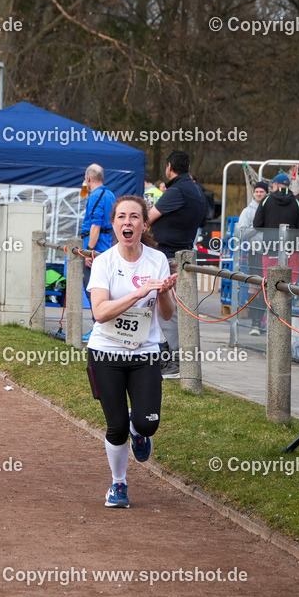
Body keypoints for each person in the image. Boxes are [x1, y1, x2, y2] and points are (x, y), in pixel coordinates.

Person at [86, 195, 177, 508]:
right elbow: (99, 312)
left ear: (143, 224)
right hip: (106, 354)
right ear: (113, 224)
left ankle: (140, 429)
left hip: (145, 353)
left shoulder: (157, 260)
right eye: (122, 217)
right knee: (116, 427)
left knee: (148, 422)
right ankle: (119, 484)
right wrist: (140, 292)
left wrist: (163, 292)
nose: (128, 222)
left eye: (134, 217)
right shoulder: (104, 262)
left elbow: (166, 314)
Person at [147, 150, 207, 378]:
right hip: (183, 253)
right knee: (175, 310)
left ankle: (176, 359)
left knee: (168, 311)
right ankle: (170, 353)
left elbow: (149, 218)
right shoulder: (195, 189)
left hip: (170, 257)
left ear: (170, 166)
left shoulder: (177, 190)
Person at [236, 181, 269, 334]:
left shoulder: (271, 209)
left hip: (270, 252)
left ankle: (263, 320)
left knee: (267, 286)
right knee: (255, 285)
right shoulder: (247, 212)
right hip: (255, 252)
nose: (259, 194)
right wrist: (256, 227)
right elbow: (241, 233)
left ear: (266, 193)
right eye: (256, 192)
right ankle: (255, 322)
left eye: (262, 192)